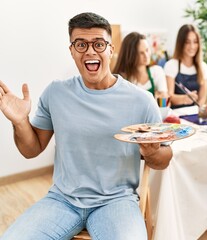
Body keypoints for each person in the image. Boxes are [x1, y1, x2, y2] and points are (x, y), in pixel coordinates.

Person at [0, 12, 172, 240]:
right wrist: (20, 122)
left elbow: (165, 159)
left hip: (116, 201)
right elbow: (31, 150)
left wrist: (151, 153)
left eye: (99, 44)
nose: (90, 51)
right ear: (72, 51)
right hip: (62, 200)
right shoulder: (56, 93)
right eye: (81, 44)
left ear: (111, 49)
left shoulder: (142, 100)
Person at [164, 24, 207, 109]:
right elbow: (168, 97)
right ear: (181, 44)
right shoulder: (171, 65)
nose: (192, 46)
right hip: (176, 115)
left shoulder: (203, 67)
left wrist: (197, 112)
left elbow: (202, 98)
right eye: (187, 42)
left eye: (195, 42)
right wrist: (184, 99)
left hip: (194, 114)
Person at [113, 32, 168, 99]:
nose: (146, 55)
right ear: (130, 55)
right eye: (141, 53)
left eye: (147, 50)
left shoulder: (157, 71)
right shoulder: (123, 79)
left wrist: (163, 98)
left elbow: (164, 100)